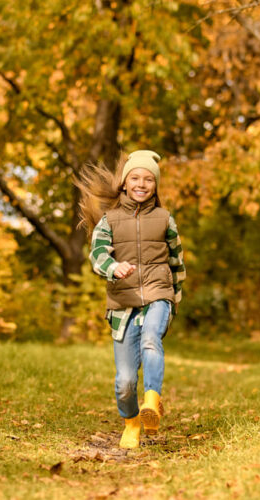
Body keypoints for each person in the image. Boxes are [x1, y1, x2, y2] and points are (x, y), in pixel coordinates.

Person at [76, 149, 186, 449]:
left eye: (149, 179)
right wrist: (113, 267)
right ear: (124, 183)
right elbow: (97, 254)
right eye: (135, 177)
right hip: (122, 306)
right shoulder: (109, 220)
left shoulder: (165, 219)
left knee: (152, 339)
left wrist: (173, 300)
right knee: (124, 382)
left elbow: (177, 263)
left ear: (156, 185)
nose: (142, 183)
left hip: (157, 295)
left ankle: (152, 400)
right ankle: (132, 421)